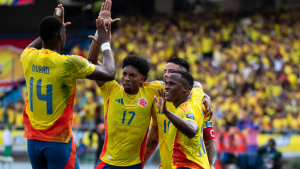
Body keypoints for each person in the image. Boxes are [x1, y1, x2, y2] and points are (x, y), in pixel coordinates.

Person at [21, 4, 116, 169]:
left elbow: (36, 43)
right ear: (60, 36)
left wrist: (54, 25)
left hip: (33, 143)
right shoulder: (68, 63)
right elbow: (109, 73)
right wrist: (105, 42)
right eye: (64, 33)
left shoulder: (28, 56)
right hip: (57, 144)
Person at [144, 57, 217, 169]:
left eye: (172, 72)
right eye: (165, 71)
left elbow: (208, 138)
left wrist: (212, 166)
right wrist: (141, 164)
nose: (166, 75)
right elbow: (154, 133)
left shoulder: (197, 102)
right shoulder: (158, 94)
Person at [155, 70, 210, 169]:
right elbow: (197, 85)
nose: (166, 87)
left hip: (187, 165)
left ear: (185, 88)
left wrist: (166, 111)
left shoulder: (185, 111)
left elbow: (192, 130)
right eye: (166, 83)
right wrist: (207, 96)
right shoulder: (195, 98)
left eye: (171, 84)